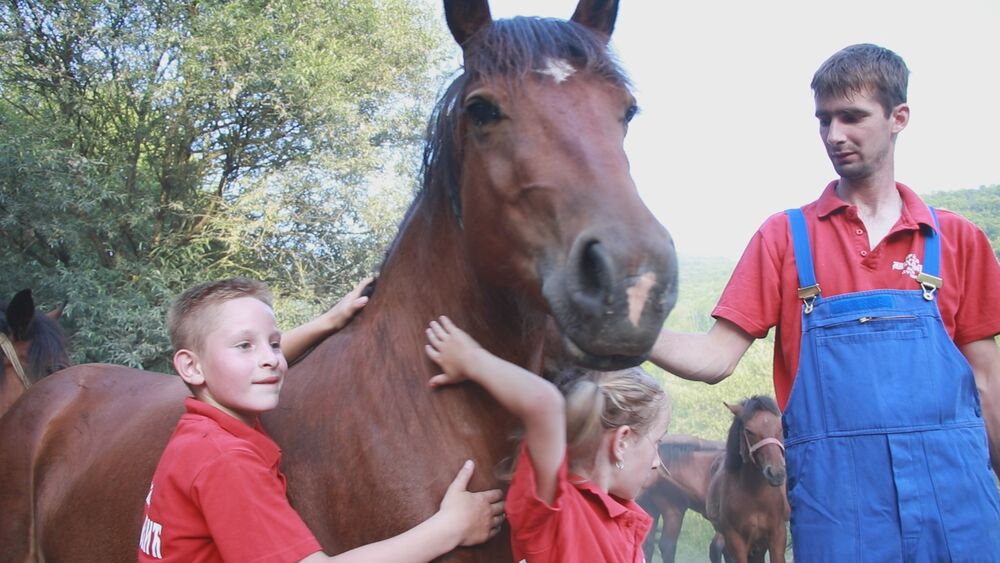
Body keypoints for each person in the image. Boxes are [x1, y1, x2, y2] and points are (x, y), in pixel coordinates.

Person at [649, 43, 1000, 561]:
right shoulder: (785, 239)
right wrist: (625, 330)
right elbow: (714, 357)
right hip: (840, 507)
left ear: (898, 117)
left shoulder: (959, 240)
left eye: (853, 117)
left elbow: (989, 383)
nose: (835, 135)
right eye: (824, 120)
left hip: (959, 499)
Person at [138, 278, 505, 562]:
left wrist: (329, 321)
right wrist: (450, 528)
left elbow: (254, 361)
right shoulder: (225, 460)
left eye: (274, 344)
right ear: (191, 366)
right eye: (245, 346)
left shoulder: (202, 432)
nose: (270, 360)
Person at [424, 315, 671, 563]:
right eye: (657, 442)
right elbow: (544, 404)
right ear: (622, 442)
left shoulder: (621, 522)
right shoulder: (557, 510)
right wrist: (470, 358)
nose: (656, 462)